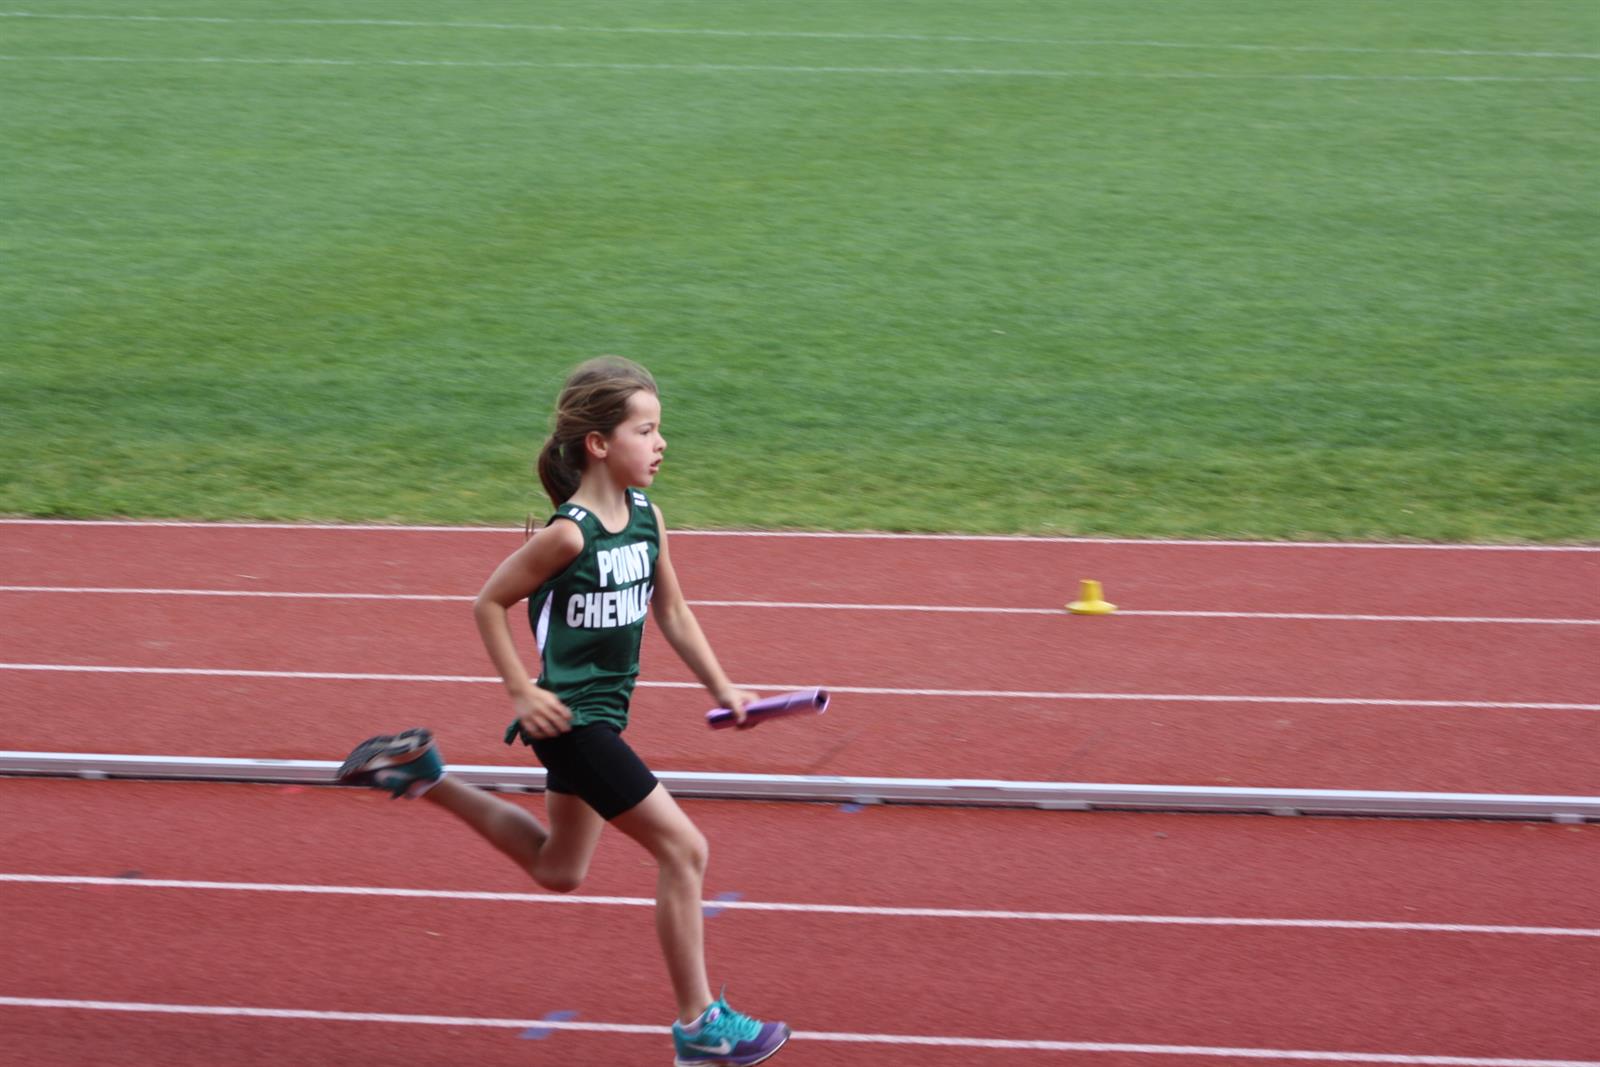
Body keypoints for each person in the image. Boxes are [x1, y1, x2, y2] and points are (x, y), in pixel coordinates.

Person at [337, 356, 790, 1067]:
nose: (662, 443)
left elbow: (671, 610)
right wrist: (522, 688)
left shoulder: (647, 517)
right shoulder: (568, 534)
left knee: (559, 866)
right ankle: (699, 1024)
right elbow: (488, 602)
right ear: (599, 443)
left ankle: (423, 773)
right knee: (685, 848)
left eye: (660, 429)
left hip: (605, 714)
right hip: (571, 721)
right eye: (646, 429)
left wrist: (724, 687)